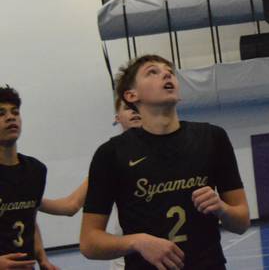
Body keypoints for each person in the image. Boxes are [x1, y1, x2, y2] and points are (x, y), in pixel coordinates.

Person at [80, 55, 250, 269]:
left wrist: (222, 209)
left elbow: (242, 221)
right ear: (132, 95)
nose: (166, 74)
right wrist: (137, 241)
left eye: (169, 70)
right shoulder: (111, 154)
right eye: (152, 71)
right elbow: (89, 242)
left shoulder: (212, 138)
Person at [41, 97, 143, 269]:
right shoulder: (110, 160)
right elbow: (70, 205)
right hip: (127, 255)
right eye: (127, 107)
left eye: (137, 106)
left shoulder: (172, 152)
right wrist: (32, 200)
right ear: (117, 117)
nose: (134, 111)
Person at [0, 85, 59, 270]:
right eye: (1, 113)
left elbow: (30, 219)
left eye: (15, 112)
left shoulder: (36, 170)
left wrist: (42, 259)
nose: (11, 117)